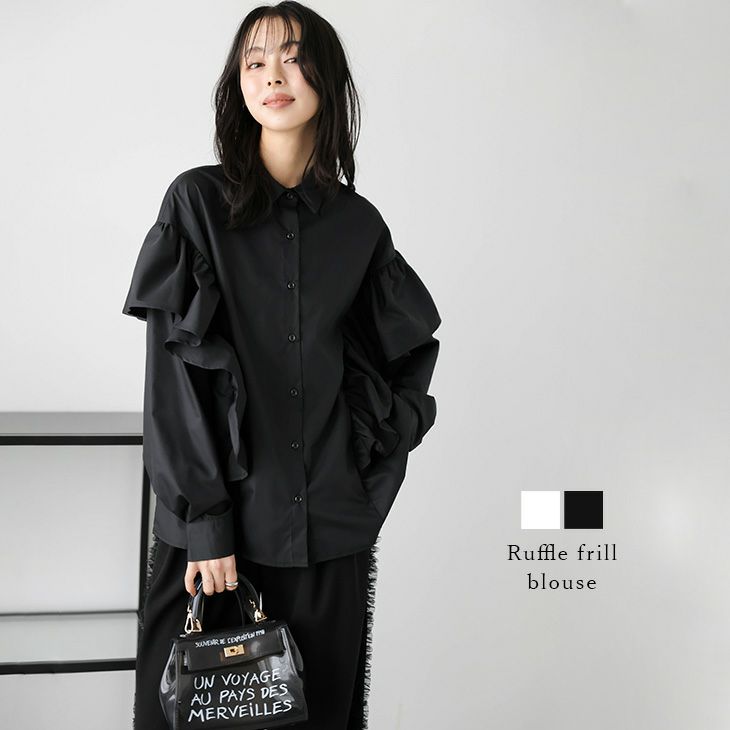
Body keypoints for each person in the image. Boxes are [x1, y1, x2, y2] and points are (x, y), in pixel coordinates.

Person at [122, 2, 441, 728]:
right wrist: (207, 523)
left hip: (329, 542)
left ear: (326, 78)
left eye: (293, 58)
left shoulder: (359, 227)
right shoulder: (196, 204)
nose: (273, 76)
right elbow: (174, 380)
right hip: (215, 550)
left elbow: (402, 360)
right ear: (238, 83)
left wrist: (363, 483)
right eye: (255, 61)